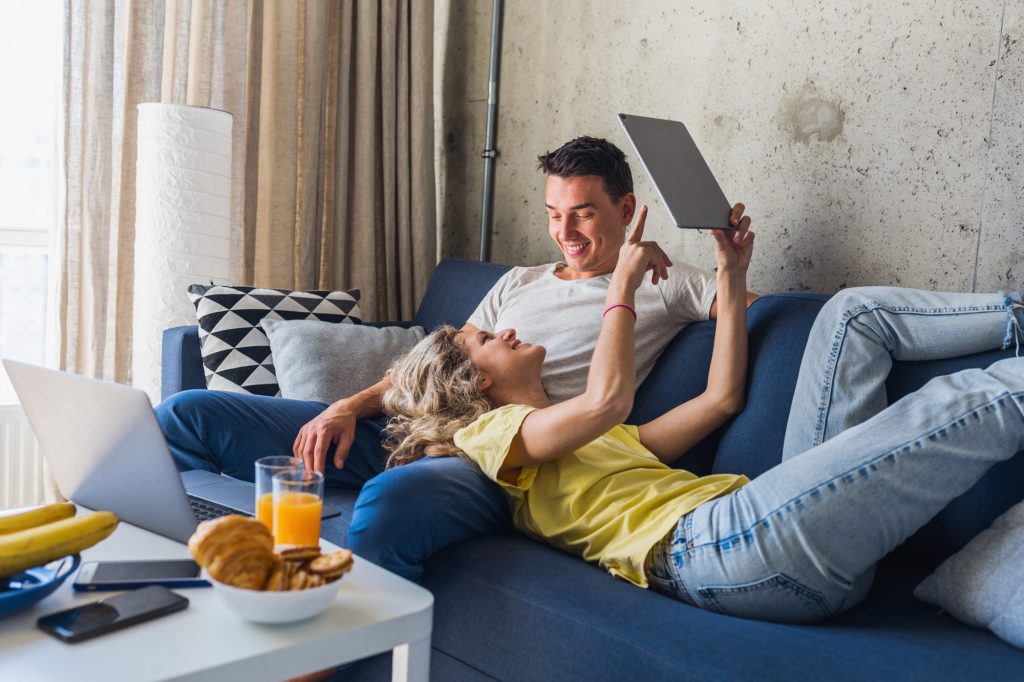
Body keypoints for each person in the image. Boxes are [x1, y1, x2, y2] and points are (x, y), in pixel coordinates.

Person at [156, 136, 754, 581]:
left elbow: (758, 311)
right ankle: (178, 576)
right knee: (186, 416)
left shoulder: (665, 282)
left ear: (626, 209)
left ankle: (341, 643)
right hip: (423, 424)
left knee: (394, 502)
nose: (564, 231)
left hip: (504, 460)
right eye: (553, 214)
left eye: (583, 213)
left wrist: (729, 259)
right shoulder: (519, 281)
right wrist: (347, 406)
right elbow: (441, 364)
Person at [379, 212, 1024, 623]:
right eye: (490, 339)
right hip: (722, 552)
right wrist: (621, 287)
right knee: (962, 400)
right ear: (480, 384)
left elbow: (721, 400)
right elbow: (608, 398)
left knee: (852, 317)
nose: (508, 329)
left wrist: (729, 271)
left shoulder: (593, 442)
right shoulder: (492, 437)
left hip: (766, 527)